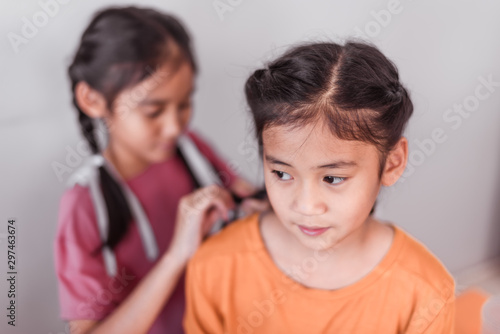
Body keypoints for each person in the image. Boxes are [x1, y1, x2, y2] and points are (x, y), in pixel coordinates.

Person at [184, 41, 455, 333]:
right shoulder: (215, 266)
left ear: (392, 163)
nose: (306, 206)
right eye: (282, 174)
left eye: (332, 178)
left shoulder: (426, 291)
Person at [54, 6, 266, 334]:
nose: (173, 127)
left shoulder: (192, 149)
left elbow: (246, 194)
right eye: (154, 111)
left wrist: (256, 208)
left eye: (183, 105)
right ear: (93, 100)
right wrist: (176, 256)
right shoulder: (84, 205)